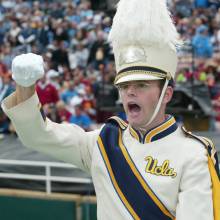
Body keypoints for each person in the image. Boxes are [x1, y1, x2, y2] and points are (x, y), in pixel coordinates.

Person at [1, 0, 220, 219]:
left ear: (167, 94)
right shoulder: (102, 142)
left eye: (142, 85)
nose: (130, 92)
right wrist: (25, 85)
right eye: (124, 86)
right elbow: (37, 136)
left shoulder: (194, 154)